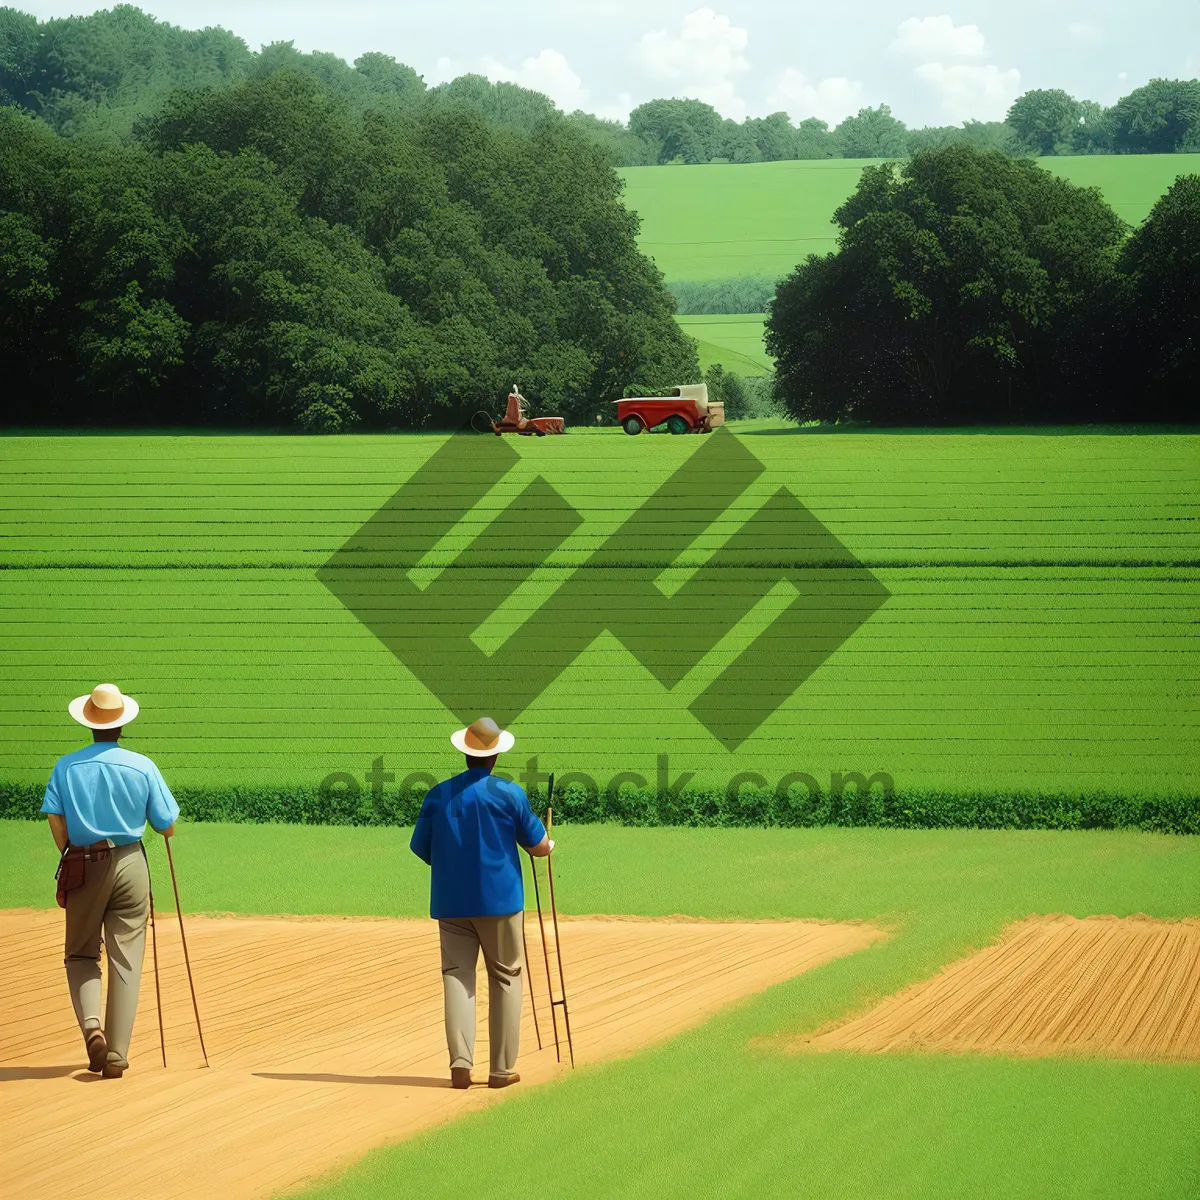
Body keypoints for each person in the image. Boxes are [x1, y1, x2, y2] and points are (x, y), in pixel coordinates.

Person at [41, 683, 180, 1078]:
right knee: (127, 958)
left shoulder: (66, 767)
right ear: (122, 726)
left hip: (84, 863)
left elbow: (54, 815)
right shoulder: (142, 765)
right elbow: (166, 826)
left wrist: (68, 850)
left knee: (82, 954)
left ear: (89, 724)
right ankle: (117, 1056)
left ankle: (92, 1029)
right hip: (132, 863)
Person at [410, 716, 552, 1090]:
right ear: (495, 757)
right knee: (506, 976)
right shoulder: (509, 793)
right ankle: (501, 1070)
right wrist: (548, 844)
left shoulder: (437, 795)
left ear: (466, 754)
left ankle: (460, 1065)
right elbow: (538, 846)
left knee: (457, 977)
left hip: (450, 901)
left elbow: (422, 849)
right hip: (501, 902)